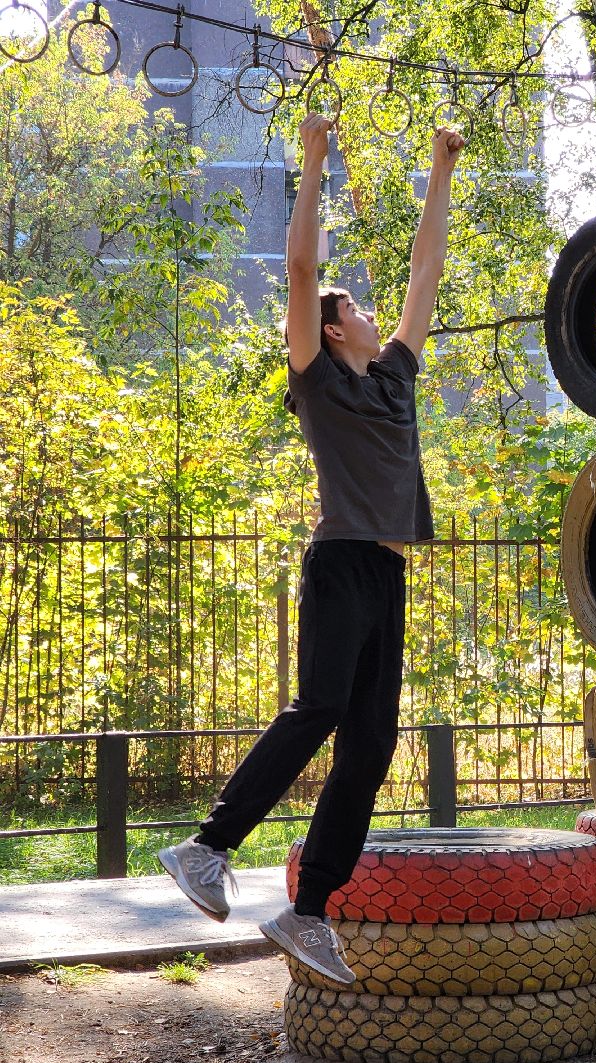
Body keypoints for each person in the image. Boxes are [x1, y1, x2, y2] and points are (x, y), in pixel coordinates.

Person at [157, 114, 464, 983]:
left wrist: (440, 169)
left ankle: (309, 911)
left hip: (386, 570)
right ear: (333, 331)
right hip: (338, 564)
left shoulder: (396, 373)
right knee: (321, 707)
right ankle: (208, 847)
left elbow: (425, 269)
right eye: (353, 310)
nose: (370, 315)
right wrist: (314, 157)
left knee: (371, 745)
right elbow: (300, 270)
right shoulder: (318, 378)